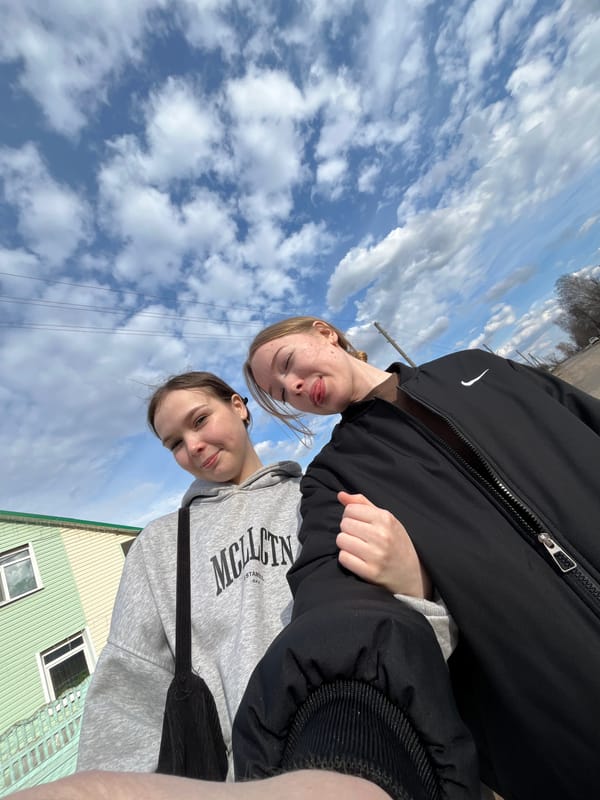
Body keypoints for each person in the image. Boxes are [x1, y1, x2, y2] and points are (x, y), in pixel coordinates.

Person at [239, 315, 600, 800]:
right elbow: (327, 592)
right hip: (566, 724)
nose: (295, 387)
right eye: (282, 393)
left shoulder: (475, 368)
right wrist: (416, 586)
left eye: (287, 365)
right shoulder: (333, 478)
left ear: (326, 333)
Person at [75, 370, 464, 788]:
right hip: (247, 780)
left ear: (238, 407)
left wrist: (420, 594)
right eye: (174, 443)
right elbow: (129, 688)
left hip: (389, 748)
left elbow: (409, 607)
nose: (192, 446)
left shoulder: (323, 492)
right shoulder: (160, 546)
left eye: (200, 420)